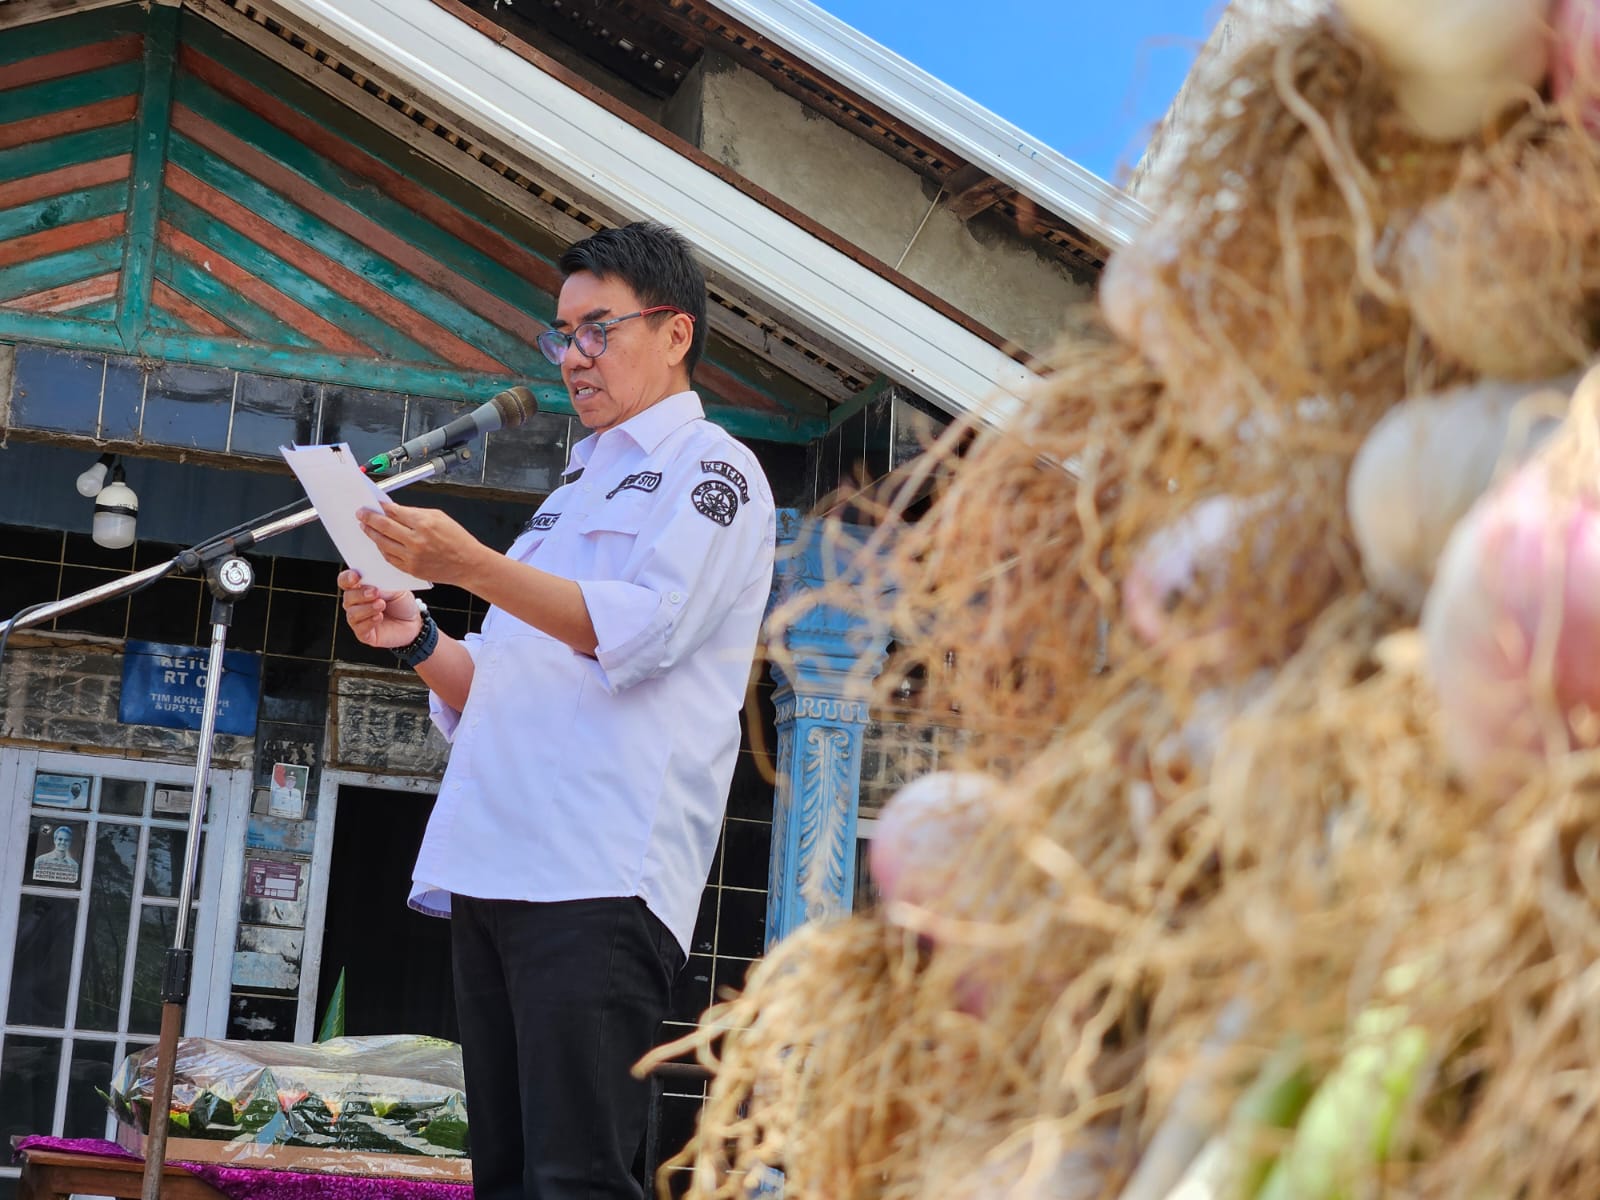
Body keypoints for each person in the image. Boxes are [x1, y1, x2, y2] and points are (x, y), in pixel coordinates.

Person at [338, 221, 776, 1200]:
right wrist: (413, 634)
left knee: (575, 1177)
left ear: (674, 333)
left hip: (597, 870)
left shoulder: (714, 471)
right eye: (560, 335)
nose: (573, 356)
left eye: (596, 329)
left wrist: (469, 565)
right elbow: (507, 685)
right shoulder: (574, 487)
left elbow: (640, 632)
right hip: (498, 859)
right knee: (504, 1177)